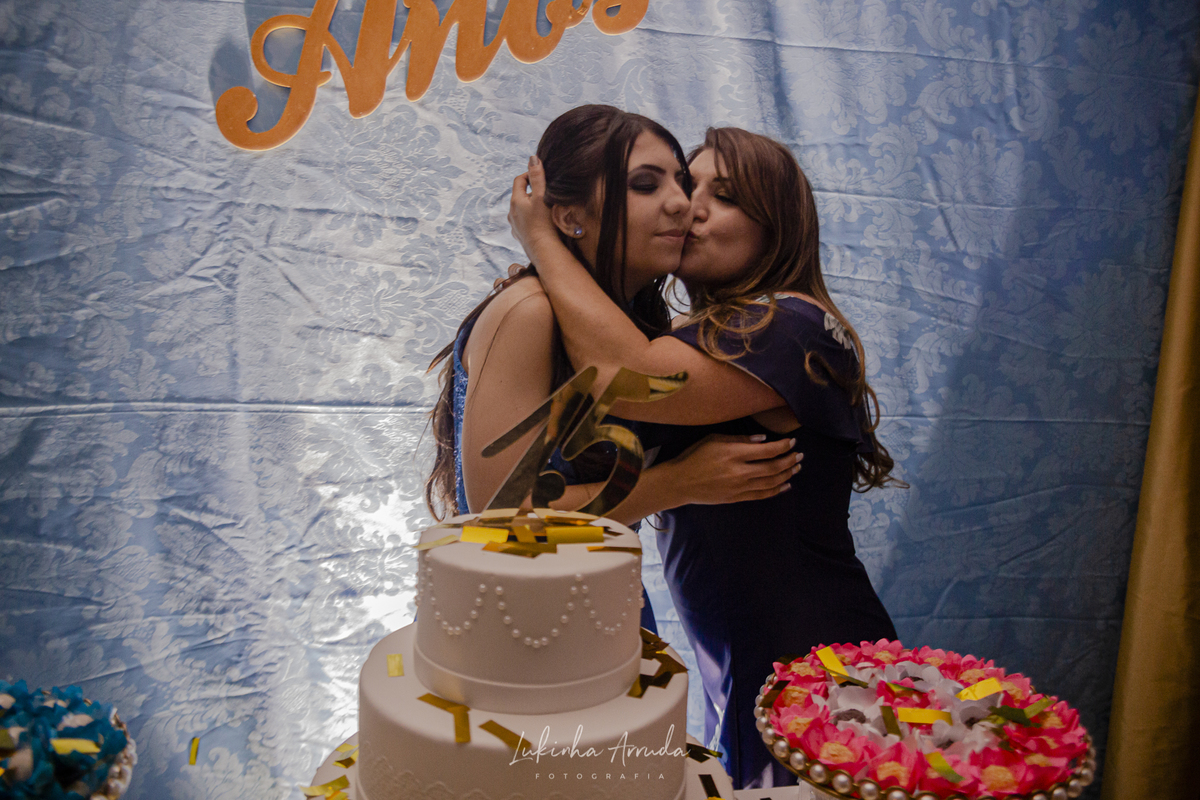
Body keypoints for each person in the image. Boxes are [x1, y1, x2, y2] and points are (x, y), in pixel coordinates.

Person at [508, 125, 904, 788]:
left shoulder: (788, 323)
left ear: (776, 226)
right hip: (750, 661)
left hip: (813, 665)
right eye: (689, 187)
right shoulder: (712, 330)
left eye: (724, 198)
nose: (689, 208)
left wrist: (542, 241)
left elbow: (625, 375)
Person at [424, 107, 801, 634]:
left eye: (681, 182)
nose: (682, 203)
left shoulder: (641, 324)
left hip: (606, 605)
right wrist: (677, 483)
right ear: (569, 217)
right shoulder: (530, 313)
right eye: (646, 185)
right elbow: (499, 518)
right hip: (515, 628)